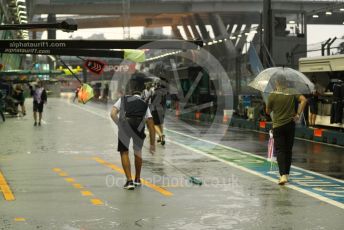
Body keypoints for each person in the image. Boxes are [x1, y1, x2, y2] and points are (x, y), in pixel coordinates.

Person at [110, 85, 155, 190]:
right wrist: (152, 143)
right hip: (139, 125)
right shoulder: (144, 104)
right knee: (138, 151)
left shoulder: (123, 99)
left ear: (130, 93)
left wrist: (119, 125)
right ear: (141, 96)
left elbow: (112, 114)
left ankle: (129, 181)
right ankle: (137, 179)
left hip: (125, 124)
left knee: (124, 151)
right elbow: (151, 124)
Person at [266, 74, 307, 185]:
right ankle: (287, 174)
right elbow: (304, 100)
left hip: (278, 126)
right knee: (288, 150)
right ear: (286, 82)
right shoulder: (292, 91)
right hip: (290, 125)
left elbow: (267, 111)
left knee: (280, 150)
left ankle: (283, 175)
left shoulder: (273, 94)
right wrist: (298, 114)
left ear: (277, 82)